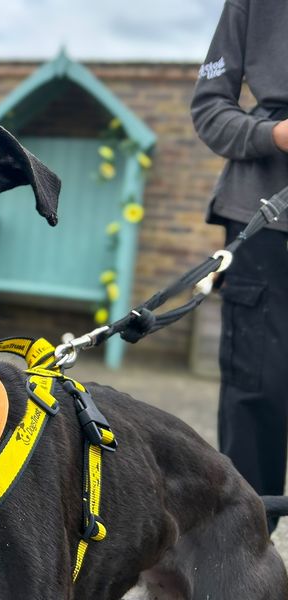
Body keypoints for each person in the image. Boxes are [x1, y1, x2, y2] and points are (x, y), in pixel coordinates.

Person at [191, 0, 288, 533]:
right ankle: (246, 551)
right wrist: (274, 135)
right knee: (257, 393)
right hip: (264, 221)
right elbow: (209, 109)